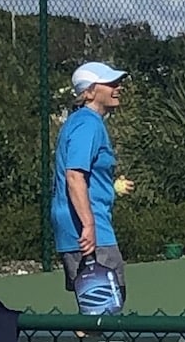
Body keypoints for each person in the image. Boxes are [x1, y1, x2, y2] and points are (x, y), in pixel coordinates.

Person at [52, 62, 130, 304]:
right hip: (88, 230)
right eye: (110, 83)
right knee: (105, 304)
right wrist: (88, 225)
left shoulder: (83, 122)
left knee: (100, 305)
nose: (118, 87)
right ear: (90, 91)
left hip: (86, 225)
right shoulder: (88, 124)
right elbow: (74, 176)